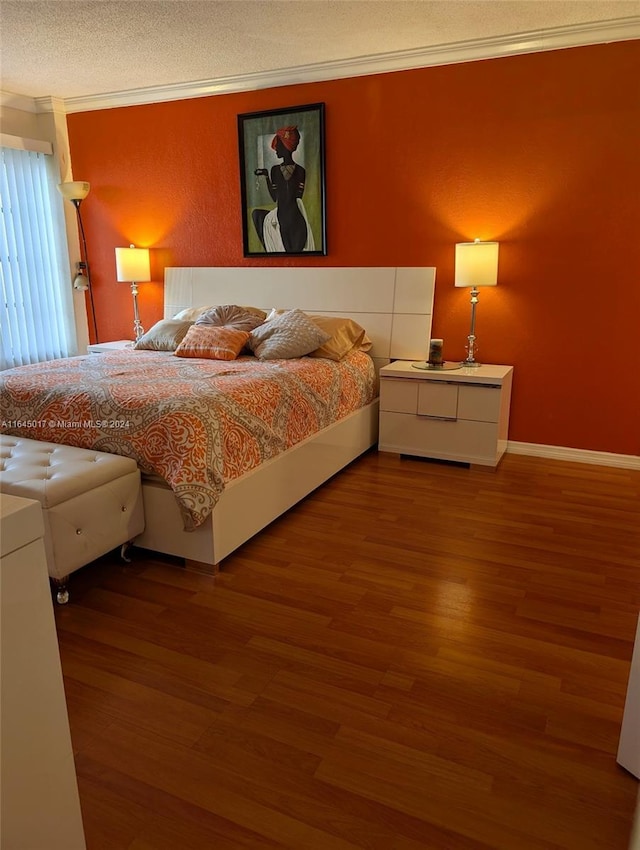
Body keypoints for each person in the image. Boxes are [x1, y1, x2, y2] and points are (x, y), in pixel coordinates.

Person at [253, 126, 315, 253]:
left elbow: (298, 198)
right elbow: (275, 197)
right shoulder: (275, 170)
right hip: (283, 216)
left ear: (285, 146)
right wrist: (266, 177)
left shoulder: (300, 171)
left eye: (278, 145)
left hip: (293, 219)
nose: (275, 150)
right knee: (256, 215)